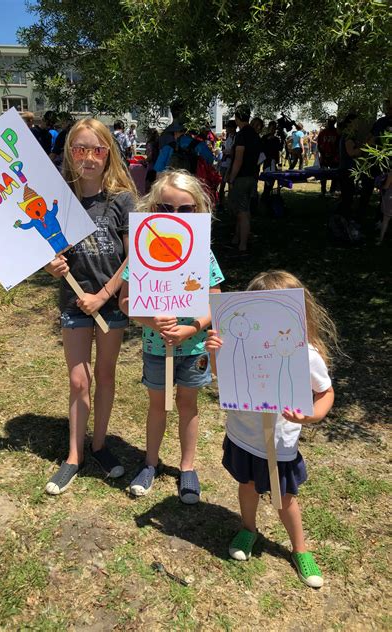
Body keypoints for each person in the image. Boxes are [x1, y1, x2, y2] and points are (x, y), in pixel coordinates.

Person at [206, 270, 336, 588]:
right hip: (244, 436)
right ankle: (248, 528)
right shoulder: (237, 343)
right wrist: (214, 353)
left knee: (285, 498)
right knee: (247, 486)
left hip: (279, 444)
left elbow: (325, 392)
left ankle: (300, 550)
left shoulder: (305, 354)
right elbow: (224, 377)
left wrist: (311, 416)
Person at [43, 118, 137, 495]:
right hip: (72, 301)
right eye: (79, 149)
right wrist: (51, 265)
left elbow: (134, 258)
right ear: (69, 153)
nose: (88, 157)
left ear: (108, 153)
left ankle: (99, 445)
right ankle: (74, 455)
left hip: (109, 306)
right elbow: (48, 247)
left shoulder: (122, 199)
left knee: (106, 375)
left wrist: (104, 295)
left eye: (96, 149)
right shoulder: (59, 197)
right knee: (78, 380)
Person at [118, 170, 224, 503]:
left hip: (193, 349)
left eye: (185, 210)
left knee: (187, 406)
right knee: (157, 406)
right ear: (152, 210)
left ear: (199, 212)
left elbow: (215, 301)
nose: (174, 217)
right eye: (165, 208)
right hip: (155, 347)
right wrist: (151, 321)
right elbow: (124, 301)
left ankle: (188, 468)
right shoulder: (140, 253)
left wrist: (193, 327)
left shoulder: (202, 254)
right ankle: (150, 463)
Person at [227, 105, 261, 255]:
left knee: (242, 212)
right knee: (244, 209)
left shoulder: (242, 136)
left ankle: (242, 245)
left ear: (237, 117)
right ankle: (237, 238)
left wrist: (232, 177)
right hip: (252, 176)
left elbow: (238, 159)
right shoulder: (255, 134)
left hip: (242, 177)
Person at [317, 116, 340, 195]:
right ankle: (323, 190)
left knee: (334, 174)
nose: (330, 123)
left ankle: (332, 190)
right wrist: (323, 155)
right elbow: (319, 145)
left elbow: (338, 146)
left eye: (332, 122)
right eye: (329, 121)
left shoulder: (337, 132)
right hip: (324, 157)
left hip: (334, 157)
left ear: (334, 122)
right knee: (323, 174)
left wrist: (333, 156)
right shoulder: (322, 132)